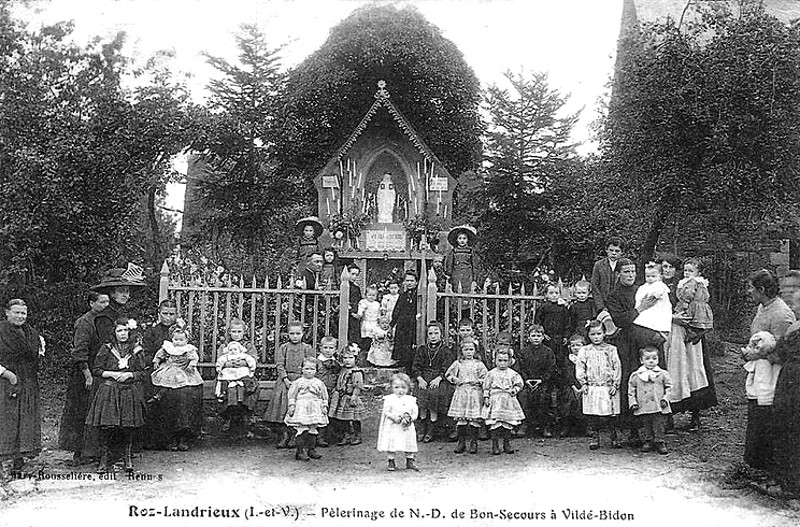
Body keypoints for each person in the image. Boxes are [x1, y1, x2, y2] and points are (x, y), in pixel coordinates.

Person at [744, 269, 796, 472]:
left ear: (762, 290)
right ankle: (755, 465)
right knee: (757, 414)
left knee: (768, 416)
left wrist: (757, 356)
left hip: (775, 375)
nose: (749, 292)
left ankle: (771, 468)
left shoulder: (781, 314)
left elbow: (786, 352)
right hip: (760, 371)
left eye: (751, 288)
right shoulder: (763, 307)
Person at [605, 258, 660, 445]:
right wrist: (640, 309)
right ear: (618, 274)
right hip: (627, 343)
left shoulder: (642, 289)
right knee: (632, 381)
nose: (630, 275)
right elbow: (621, 320)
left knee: (651, 380)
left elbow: (657, 311)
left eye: (633, 271)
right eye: (626, 272)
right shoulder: (613, 295)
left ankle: (653, 429)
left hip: (645, 341)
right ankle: (632, 428)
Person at [661, 255, 716, 432]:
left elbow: (699, 305)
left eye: (670, 267)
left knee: (694, 371)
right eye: (664, 267)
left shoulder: (688, 284)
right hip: (670, 334)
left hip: (689, 333)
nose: (667, 270)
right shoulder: (657, 285)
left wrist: (696, 326)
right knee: (672, 372)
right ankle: (668, 416)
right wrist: (671, 318)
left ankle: (695, 415)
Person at [85, 317, 146, 473]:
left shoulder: (136, 349)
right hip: (109, 389)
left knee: (128, 426)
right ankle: (104, 458)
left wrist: (130, 375)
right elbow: (97, 370)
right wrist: (111, 374)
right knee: (106, 425)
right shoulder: (106, 348)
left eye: (126, 330)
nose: (123, 334)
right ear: (114, 332)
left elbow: (142, 372)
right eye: (119, 330)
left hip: (128, 389)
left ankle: (127, 457)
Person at [58, 291, 109, 465]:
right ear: (91, 303)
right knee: (81, 411)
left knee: (93, 411)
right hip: (83, 374)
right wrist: (87, 374)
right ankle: (78, 453)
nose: (105, 305)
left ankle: (91, 451)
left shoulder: (102, 321)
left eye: (107, 302)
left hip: (97, 371)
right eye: (101, 302)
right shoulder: (85, 322)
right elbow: (79, 351)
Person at [0, 299, 44, 472]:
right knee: (6, 420)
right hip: (4, 382)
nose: (20, 316)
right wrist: (8, 374)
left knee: (25, 419)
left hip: (27, 382)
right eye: (16, 312)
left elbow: (36, 356)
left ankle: (19, 459)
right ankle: (3, 461)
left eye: (23, 313)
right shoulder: (1, 331)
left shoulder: (31, 333)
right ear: (7, 313)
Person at [149, 322, 204, 450]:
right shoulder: (168, 347)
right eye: (176, 339)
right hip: (169, 369)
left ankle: (183, 437)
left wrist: (191, 364)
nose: (178, 342)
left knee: (185, 392)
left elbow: (194, 358)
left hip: (184, 371)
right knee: (167, 387)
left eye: (181, 340)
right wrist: (156, 361)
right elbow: (160, 355)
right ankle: (170, 438)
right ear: (171, 338)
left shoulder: (188, 349)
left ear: (186, 340)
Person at [771, 270, 800, 498]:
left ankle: (791, 486)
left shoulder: (795, 328)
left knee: (792, 429)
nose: (790, 298)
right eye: (786, 291)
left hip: (795, 383)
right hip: (789, 380)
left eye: (794, 291)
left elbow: (782, 352)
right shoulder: (795, 324)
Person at [265, 320, 315, 449]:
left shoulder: (307, 348)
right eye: (292, 333)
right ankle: (284, 435)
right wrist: (286, 379)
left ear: (303, 334)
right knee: (284, 406)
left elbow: (310, 365)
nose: (295, 336)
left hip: (301, 380)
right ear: (288, 334)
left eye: (298, 333)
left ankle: (295, 435)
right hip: (285, 380)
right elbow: (280, 365)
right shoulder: (283, 348)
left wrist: (303, 381)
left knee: (298, 407)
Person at [576, 320, 622, 450]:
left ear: (604, 334)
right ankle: (595, 438)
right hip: (592, 386)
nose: (596, 337)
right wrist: (583, 383)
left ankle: (614, 437)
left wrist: (615, 384)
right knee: (593, 414)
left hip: (607, 387)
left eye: (599, 334)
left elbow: (617, 367)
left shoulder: (611, 349)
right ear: (588, 335)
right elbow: (580, 367)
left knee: (610, 414)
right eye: (593, 334)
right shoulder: (584, 350)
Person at [140, 300, 178, 449]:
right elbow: (145, 355)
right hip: (156, 368)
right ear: (159, 314)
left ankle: (174, 438)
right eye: (165, 314)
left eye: (172, 314)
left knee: (183, 392)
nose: (168, 317)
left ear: (176, 315)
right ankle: (153, 439)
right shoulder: (152, 332)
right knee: (152, 390)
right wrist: (159, 358)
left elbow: (189, 351)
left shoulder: (180, 331)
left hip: (178, 370)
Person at [412, 321, 456, 443]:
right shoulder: (422, 349)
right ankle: (422, 428)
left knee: (434, 394)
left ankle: (432, 428)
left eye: (436, 333)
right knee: (421, 394)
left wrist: (439, 378)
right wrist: (420, 379)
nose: (433, 336)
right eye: (430, 333)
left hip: (439, 378)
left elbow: (447, 367)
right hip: (424, 377)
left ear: (441, 335)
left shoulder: (445, 350)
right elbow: (416, 367)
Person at [445, 338, 488, 454]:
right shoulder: (458, 363)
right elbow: (448, 374)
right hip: (462, 392)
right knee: (461, 418)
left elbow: (486, 377)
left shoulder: (479, 364)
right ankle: (461, 442)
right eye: (466, 350)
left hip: (474, 393)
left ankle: (473, 442)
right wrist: (455, 379)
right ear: (461, 351)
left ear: (475, 351)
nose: (469, 352)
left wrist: (479, 381)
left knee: (474, 418)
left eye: (471, 349)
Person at [628, 346, 673, 455]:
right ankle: (648, 440)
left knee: (659, 423)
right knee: (646, 423)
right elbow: (631, 390)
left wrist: (665, 399)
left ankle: (660, 441)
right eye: (647, 359)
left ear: (658, 359)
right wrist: (633, 402)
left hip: (659, 404)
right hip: (644, 404)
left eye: (654, 358)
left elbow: (669, 387)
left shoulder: (662, 373)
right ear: (641, 360)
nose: (651, 361)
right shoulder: (636, 375)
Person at [515, 325, 556, 438]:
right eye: (533, 336)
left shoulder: (548, 352)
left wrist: (541, 380)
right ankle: (524, 424)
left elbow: (551, 369)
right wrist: (526, 380)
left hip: (542, 382)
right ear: (529, 338)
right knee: (524, 395)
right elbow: (521, 368)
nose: (536, 338)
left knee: (543, 396)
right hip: (527, 382)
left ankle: (545, 425)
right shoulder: (523, 352)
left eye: (539, 336)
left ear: (543, 337)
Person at [91, 264, 146, 347]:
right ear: (112, 293)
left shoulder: (126, 312)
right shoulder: (104, 317)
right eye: (121, 291)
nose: (125, 295)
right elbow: (107, 345)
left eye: (127, 291)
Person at [285, 358, 329, 461]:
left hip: (314, 408)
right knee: (302, 429)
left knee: (313, 429)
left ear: (316, 370)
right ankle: (299, 452)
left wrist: (324, 406)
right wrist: (291, 406)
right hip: (301, 408)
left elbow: (324, 396)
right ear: (302, 369)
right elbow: (292, 396)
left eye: (312, 369)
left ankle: (311, 450)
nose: (309, 371)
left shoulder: (319, 383)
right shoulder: (298, 382)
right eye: (307, 368)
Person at [482, 349, 525, 455]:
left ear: (510, 361)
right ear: (495, 360)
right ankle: (495, 445)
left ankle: (507, 444)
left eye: (505, 360)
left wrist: (515, 390)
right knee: (495, 423)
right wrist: (486, 397)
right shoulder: (491, 373)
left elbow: (519, 384)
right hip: (495, 400)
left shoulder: (513, 373)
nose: (502, 363)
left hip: (507, 399)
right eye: (499, 360)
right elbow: (486, 387)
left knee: (507, 422)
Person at [377, 373, 419, 472]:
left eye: (403, 388)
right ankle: (391, 461)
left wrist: (410, 418)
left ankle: (410, 460)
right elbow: (386, 411)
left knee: (408, 442)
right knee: (392, 442)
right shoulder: (389, 399)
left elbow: (415, 412)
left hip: (406, 426)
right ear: (391, 387)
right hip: (393, 425)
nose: (400, 391)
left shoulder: (411, 400)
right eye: (396, 387)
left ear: (408, 387)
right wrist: (394, 417)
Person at [214, 341, 257, 435]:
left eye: (239, 332)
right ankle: (228, 415)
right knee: (227, 385)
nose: (233, 351)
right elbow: (220, 361)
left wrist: (251, 367)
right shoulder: (225, 354)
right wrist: (220, 367)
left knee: (244, 385)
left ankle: (247, 415)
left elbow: (251, 360)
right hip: (229, 374)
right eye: (234, 331)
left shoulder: (245, 352)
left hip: (242, 374)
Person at [328, 343, 367, 445]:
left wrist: (354, 396)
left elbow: (357, 386)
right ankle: (347, 435)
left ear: (356, 359)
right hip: (342, 397)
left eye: (350, 358)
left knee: (354, 418)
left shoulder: (356, 372)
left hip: (351, 397)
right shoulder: (343, 369)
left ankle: (357, 435)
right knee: (343, 418)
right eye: (345, 358)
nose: (347, 360)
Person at [632, 262, 673, 348]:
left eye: (653, 276)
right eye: (648, 276)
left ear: (660, 276)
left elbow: (654, 296)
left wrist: (648, 297)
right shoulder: (644, 286)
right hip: (646, 309)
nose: (650, 278)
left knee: (656, 320)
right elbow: (639, 298)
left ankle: (660, 332)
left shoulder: (659, 285)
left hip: (658, 308)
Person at [675, 258, 714, 345]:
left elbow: (689, 293)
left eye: (690, 271)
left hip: (691, 304)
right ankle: (698, 331)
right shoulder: (701, 282)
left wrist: (685, 301)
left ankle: (692, 333)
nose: (687, 273)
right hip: (701, 304)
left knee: (685, 319)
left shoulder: (691, 282)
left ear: (698, 273)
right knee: (696, 322)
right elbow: (707, 296)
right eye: (685, 270)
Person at [558, 333, 587, 437]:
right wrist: (574, 387)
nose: (576, 348)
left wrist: (583, 385)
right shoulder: (568, 359)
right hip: (570, 385)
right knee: (568, 396)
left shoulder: (587, 358)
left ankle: (585, 426)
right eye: (573, 345)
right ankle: (566, 425)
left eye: (578, 345)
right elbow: (567, 374)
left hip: (584, 385)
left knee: (585, 396)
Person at [391, 270, 419, 375]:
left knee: (411, 343)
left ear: (416, 282)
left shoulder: (419, 294)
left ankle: (410, 365)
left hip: (413, 323)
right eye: (407, 280)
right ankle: (401, 361)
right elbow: (397, 309)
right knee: (401, 341)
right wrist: (392, 324)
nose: (409, 283)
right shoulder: (403, 295)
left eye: (412, 281)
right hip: (403, 323)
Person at [315, 336, 341, 447]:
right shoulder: (317, 362)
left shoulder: (337, 362)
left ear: (335, 349)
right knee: (319, 413)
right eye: (325, 347)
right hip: (319, 392)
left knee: (330, 412)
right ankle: (318, 437)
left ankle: (329, 436)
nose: (328, 350)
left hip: (332, 391)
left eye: (331, 348)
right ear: (320, 348)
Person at [443, 225, 484, 294]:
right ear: (457, 240)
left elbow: (475, 265)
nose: (462, 240)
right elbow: (449, 264)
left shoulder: (471, 251)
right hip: (456, 275)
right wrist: (448, 275)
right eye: (460, 238)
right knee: (456, 292)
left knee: (467, 293)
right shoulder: (453, 251)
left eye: (464, 238)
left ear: (467, 240)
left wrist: (475, 278)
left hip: (468, 276)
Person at [590, 237, 624, 312]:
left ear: (622, 252)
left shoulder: (625, 265)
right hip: (603, 304)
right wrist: (600, 306)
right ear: (606, 250)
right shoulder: (599, 265)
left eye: (617, 251)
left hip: (619, 305)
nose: (614, 253)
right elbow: (594, 286)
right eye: (611, 250)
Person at [356, 284, 381, 365]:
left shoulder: (377, 304)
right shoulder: (364, 302)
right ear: (366, 295)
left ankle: (373, 360)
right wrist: (359, 314)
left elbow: (378, 314)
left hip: (375, 323)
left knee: (374, 342)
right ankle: (363, 359)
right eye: (369, 295)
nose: (371, 297)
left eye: (373, 295)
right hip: (366, 323)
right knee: (366, 340)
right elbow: (360, 312)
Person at [346, 263, 363, 346]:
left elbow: (359, 302)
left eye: (356, 275)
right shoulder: (343, 286)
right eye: (352, 274)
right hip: (346, 315)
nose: (354, 277)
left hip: (355, 317)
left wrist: (359, 313)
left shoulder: (356, 288)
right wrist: (352, 312)